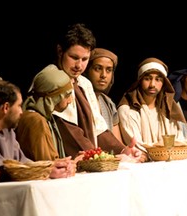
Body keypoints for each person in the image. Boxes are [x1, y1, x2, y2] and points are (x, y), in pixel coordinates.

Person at [52, 23, 143, 162]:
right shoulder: (52, 80)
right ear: (60, 51)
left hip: (88, 160)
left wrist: (123, 150)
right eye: (74, 57)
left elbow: (98, 127)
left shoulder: (84, 83)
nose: (79, 65)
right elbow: (67, 129)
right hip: (66, 162)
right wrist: (96, 156)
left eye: (84, 59)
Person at [0, 80, 76, 182]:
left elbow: (22, 163)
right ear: (6, 107)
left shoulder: (7, 128)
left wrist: (52, 166)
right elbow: (2, 170)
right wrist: (46, 171)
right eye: (19, 106)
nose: (22, 112)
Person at [117, 57, 187, 154]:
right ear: (140, 81)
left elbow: (179, 141)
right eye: (147, 79)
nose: (152, 84)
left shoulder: (169, 109)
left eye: (158, 79)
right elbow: (137, 145)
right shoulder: (128, 109)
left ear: (164, 83)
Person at [16, 64, 76, 163]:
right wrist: (75, 163)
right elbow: (48, 165)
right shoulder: (35, 120)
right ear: (54, 97)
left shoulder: (45, 117)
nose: (70, 100)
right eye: (67, 95)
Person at [83, 48, 124, 143]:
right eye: (98, 68)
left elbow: (117, 142)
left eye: (109, 70)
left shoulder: (108, 103)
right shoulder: (80, 100)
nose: (103, 75)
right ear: (87, 70)